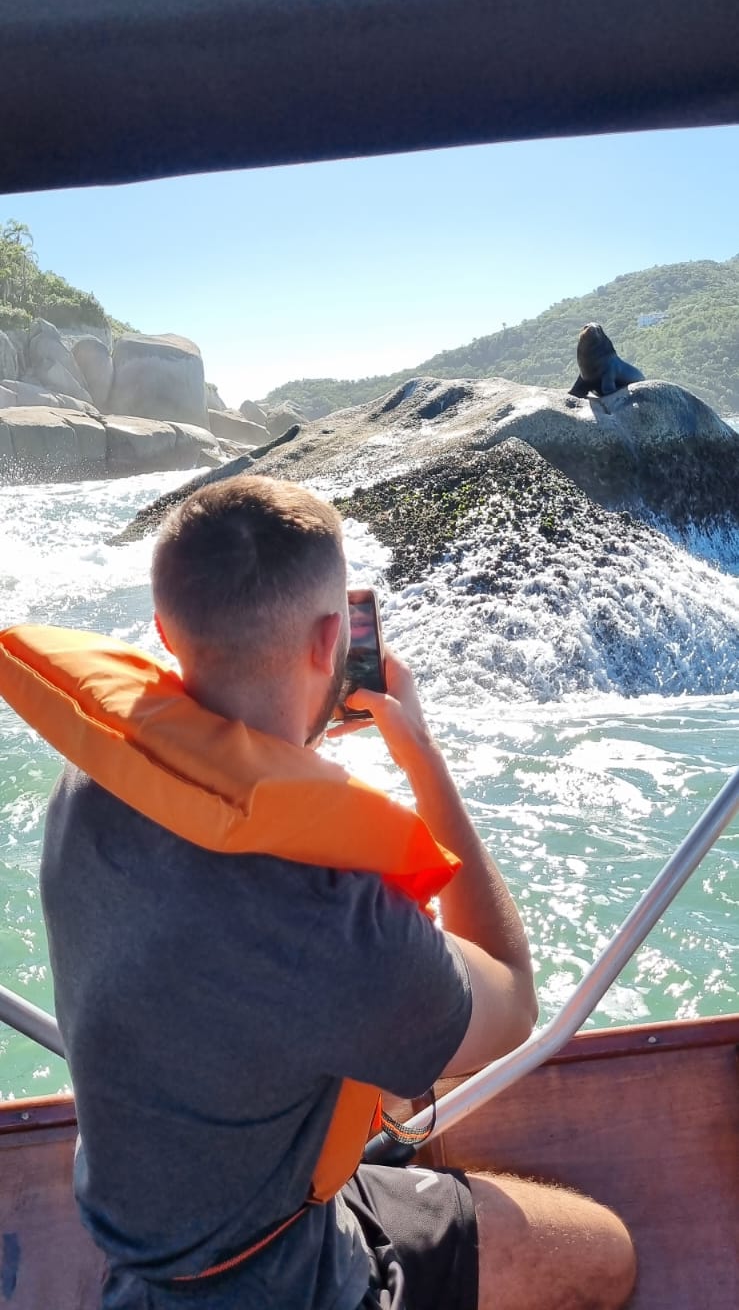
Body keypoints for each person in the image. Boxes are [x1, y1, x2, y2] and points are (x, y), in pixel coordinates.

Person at [39, 476, 636, 1310]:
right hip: (287, 1274)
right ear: (332, 642)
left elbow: (227, 804)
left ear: (165, 632)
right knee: (602, 1253)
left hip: (146, 1240)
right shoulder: (332, 917)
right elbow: (510, 999)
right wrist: (422, 756)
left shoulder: (94, 777)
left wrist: (289, 724)